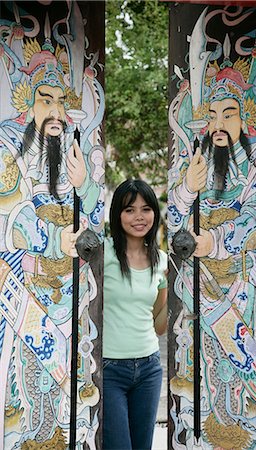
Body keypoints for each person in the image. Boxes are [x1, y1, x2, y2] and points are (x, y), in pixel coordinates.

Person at [168, 65, 256, 449]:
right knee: (209, 368)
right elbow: (173, 225)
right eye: (213, 114)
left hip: (243, 284)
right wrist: (187, 190)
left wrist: (217, 241)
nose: (219, 123)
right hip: (202, 286)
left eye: (229, 113)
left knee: (242, 366)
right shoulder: (197, 165)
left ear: (244, 118)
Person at [0, 46, 104, 448]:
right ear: (29, 101)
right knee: (33, 376)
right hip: (27, 286)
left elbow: (93, 225)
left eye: (63, 101)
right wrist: (51, 240)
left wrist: (86, 186)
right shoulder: (10, 149)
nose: (56, 110)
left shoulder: (74, 153)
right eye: (47, 99)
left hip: (71, 291)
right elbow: (9, 217)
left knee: (68, 378)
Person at [103, 179, 168, 450]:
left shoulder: (162, 260)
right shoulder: (102, 252)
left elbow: (160, 325)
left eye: (145, 209)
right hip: (108, 370)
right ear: (118, 214)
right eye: (129, 210)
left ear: (155, 212)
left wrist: (173, 288)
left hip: (149, 368)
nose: (139, 217)